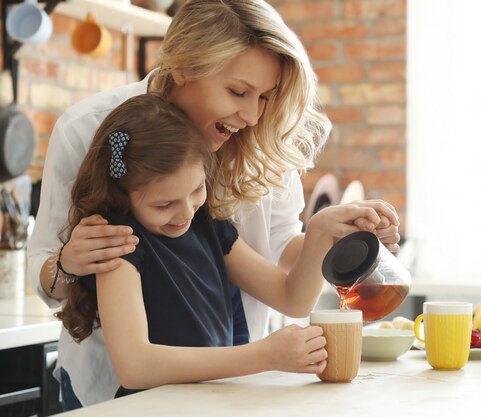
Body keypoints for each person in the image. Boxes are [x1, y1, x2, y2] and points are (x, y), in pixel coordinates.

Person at [27, 0, 400, 409]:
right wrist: (69, 262)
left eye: (265, 96)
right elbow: (125, 354)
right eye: (238, 91)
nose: (254, 116)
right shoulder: (96, 150)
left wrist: (328, 233)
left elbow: (288, 275)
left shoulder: (222, 201)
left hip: (234, 390)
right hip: (121, 398)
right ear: (184, 66)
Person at [56, 93, 383, 397]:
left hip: (212, 403)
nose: (185, 212)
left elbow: (292, 298)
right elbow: (135, 367)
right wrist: (264, 355)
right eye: (163, 204)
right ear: (122, 194)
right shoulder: (119, 242)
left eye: (196, 190)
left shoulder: (208, 226)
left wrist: (320, 231)